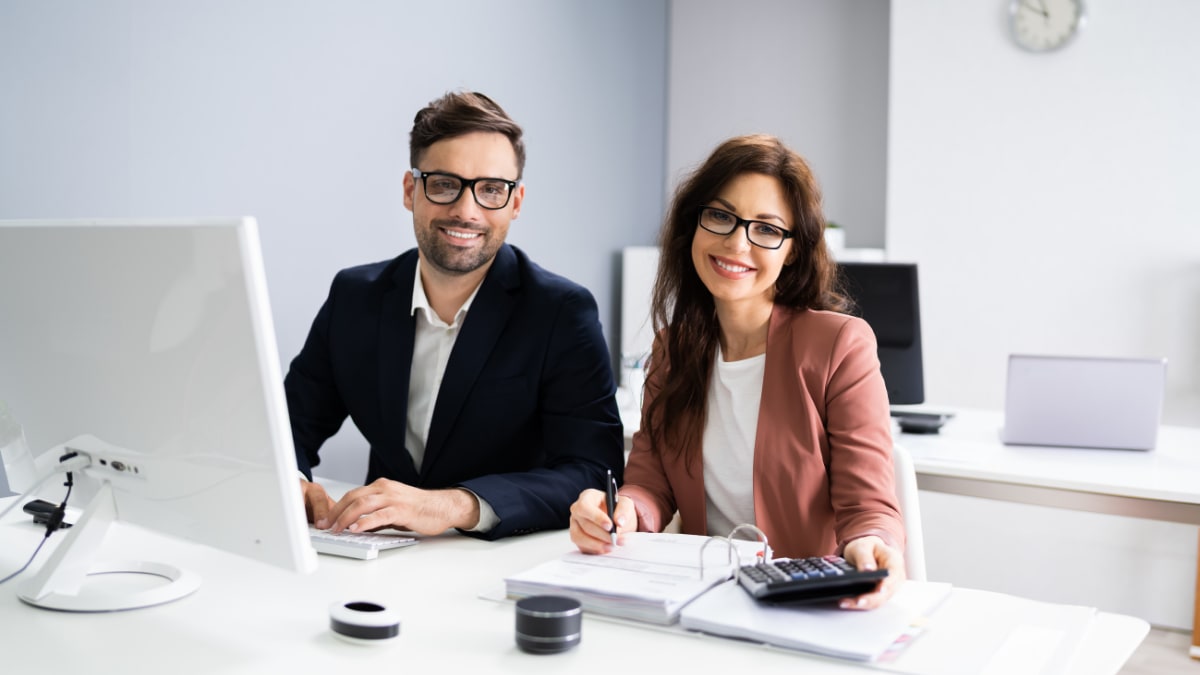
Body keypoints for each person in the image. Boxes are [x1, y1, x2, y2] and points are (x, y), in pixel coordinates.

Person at [569, 134, 905, 609]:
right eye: (721, 216)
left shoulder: (839, 345)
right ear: (695, 224)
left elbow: (868, 505)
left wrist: (873, 543)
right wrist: (619, 512)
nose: (736, 242)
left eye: (766, 229)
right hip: (708, 598)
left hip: (807, 603)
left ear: (792, 249)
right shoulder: (673, 349)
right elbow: (650, 483)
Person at [286, 90, 624, 540]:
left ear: (516, 202)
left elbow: (593, 470)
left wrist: (454, 504)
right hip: (379, 553)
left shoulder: (561, 313)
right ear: (411, 191)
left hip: (504, 562)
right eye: (444, 184)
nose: (466, 211)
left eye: (491, 190)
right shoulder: (354, 297)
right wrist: (293, 480)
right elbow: (286, 422)